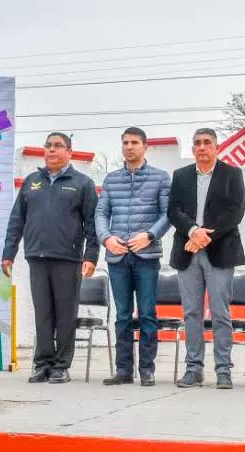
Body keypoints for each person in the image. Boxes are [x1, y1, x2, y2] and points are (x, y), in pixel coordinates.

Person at [2, 132, 99, 384]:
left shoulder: (82, 184)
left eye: (58, 146)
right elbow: (16, 220)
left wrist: (91, 256)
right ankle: (42, 364)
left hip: (68, 259)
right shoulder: (32, 182)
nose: (51, 150)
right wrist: (8, 253)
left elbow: (92, 224)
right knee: (43, 314)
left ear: (69, 152)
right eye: (48, 146)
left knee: (65, 314)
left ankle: (61, 366)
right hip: (37, 256)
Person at [168, 128, 245, 389]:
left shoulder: (232, 174)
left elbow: (235, 212)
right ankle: (194, 368)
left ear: (216, 147)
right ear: (193, 149)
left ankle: (223, 369)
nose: (202, 147)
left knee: (221, 313)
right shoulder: (181, 176)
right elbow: (173, 210)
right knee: (191, 313)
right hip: (187, 251)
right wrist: (192, 230)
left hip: (220, 252)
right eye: (198, 143)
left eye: (207, 143)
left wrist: (204, 236)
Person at [95, 127, 172, 387]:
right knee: (123, 315)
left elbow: (168, 214)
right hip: (117, 257)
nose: (129, 147)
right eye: (125, 143)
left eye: (135, 142)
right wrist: (107, 238)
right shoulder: (111, 179)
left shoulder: (160, 178)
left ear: (145, 146)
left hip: (146, 256)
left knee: (148, 314)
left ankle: (147, 369)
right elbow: (101, 213)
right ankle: (123, 370)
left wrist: (149, 235)